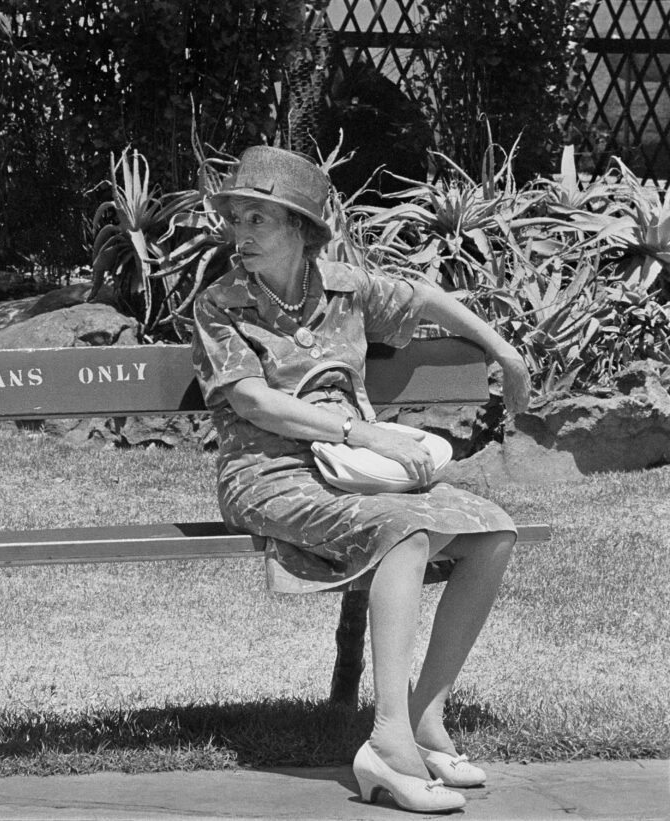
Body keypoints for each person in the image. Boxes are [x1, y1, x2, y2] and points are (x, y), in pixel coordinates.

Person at [191, 146, 531, 814]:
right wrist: (362, 432)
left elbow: (426, 297)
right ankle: (388, 742)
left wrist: (506, 351)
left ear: (302, 230)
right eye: (239, 217)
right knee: (405, 531)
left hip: (352, 474)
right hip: (268, 473)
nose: (244, 232)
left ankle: (427, 718)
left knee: (493, 531)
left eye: (263, 218)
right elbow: (253, 402)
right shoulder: (221, 303)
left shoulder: (345, 287)